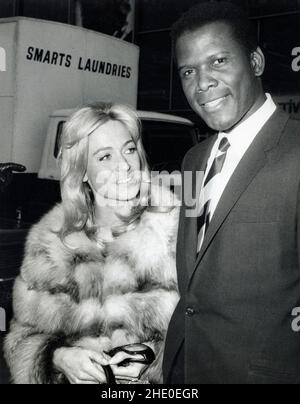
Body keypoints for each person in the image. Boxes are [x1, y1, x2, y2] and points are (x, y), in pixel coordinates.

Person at [163, 1, 300, 384]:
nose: (202, 82)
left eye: (218, 61)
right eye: (188, 71)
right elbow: (193, 267)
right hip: (181, 371)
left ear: (256, 62)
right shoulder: (193, 159)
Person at [4, 102, 180, 384]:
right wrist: (57, 358)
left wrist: (154, 356)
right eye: (104, 156)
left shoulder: (177, 233)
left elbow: (207, 330)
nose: (124, 165)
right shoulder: (50, 243)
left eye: (129, 149)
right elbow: (20, 339)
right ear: (82, 171)